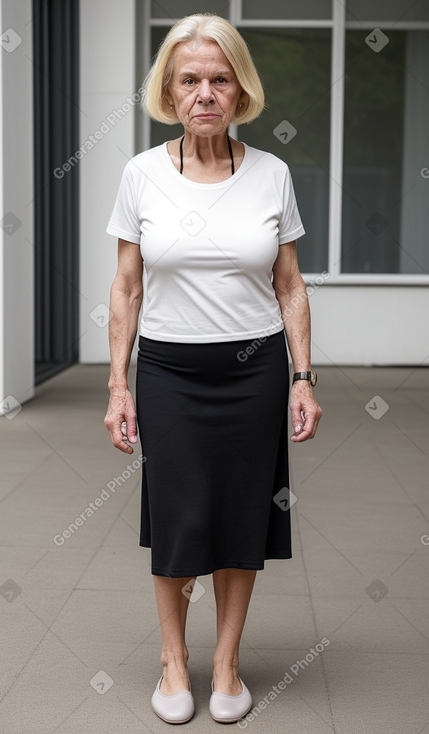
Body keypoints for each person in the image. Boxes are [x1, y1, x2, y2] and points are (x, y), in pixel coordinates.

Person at [104, 13, 322, 726]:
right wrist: (117, 385)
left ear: (240, 90)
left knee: (238, 519)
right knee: (177, 518)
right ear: (168, 91)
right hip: (168, 373)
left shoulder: (271, 174)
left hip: (254, 372)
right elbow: (127, 288)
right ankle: (174, 662)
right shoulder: (141, 174)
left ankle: (225, 663)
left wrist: (301, 377)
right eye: (189, 79)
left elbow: (289, 286)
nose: (205, 92)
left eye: (219, 79)